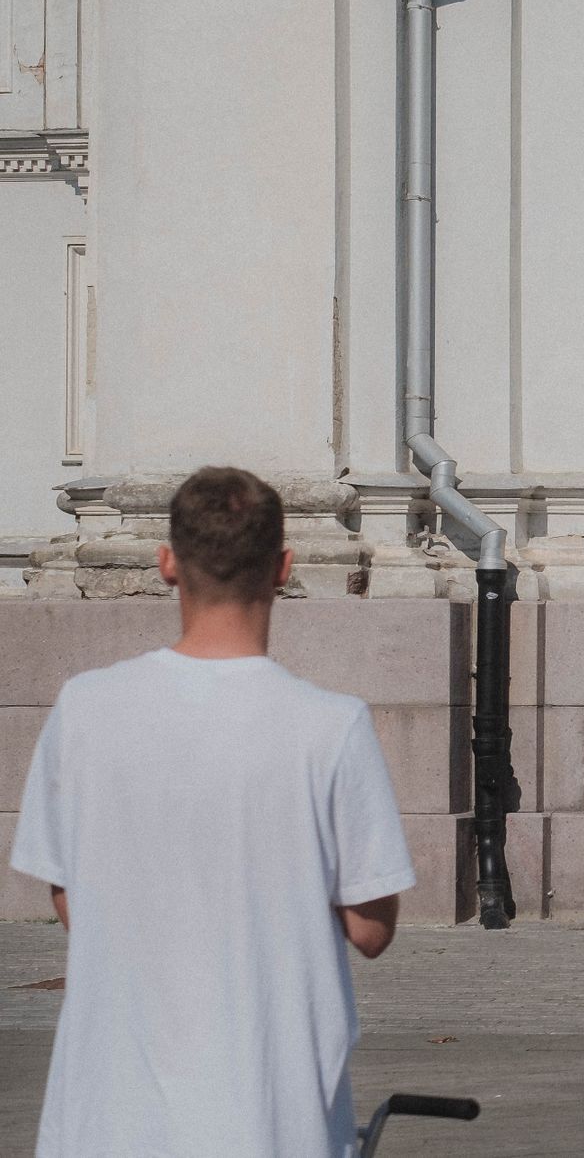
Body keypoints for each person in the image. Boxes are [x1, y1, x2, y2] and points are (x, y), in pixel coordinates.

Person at [10, 466, 417, 1156]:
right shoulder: (332, 726)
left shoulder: (86, 708)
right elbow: (371, 929)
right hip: (271, 1111)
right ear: (283, 566)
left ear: (168, 563)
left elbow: (68, 892)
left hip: (110, 1115)